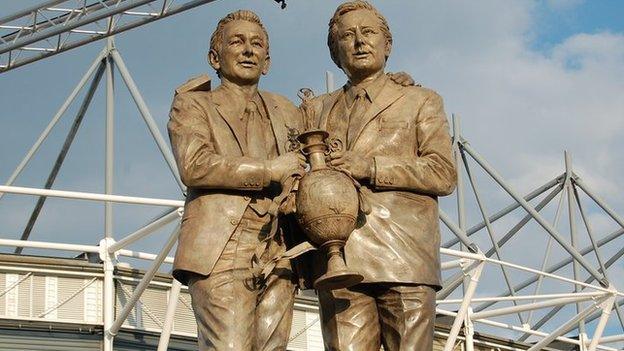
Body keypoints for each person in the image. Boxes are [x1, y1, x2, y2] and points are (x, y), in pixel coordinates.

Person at [302, 1, 457, 350]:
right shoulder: (314, 110)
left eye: (368, 33)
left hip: (404, 256)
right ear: (335, 51)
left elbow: (443, 173)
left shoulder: (420, 100)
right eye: (348, 36)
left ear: (387, 45)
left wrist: (370, 166)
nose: (359, 42)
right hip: (337, 260)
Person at [167, 10, 306, 351]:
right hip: (222, 246)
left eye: (257, 44)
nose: (248, 50)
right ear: (214, 57)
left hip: (280, 249)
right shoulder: (193, 105)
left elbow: (330, 128)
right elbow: (195, 165)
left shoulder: (287, 110)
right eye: (237, 42)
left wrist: (389, 79)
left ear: (267, 61)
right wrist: (269, 171)